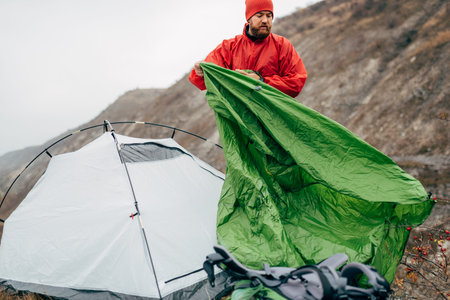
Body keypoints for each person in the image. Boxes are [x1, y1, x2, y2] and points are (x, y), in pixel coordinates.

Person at [189, 0, 307, 98]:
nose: (265, 20)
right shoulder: (229, 47)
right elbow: (204, 76)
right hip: (240, 117)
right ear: (249, 18)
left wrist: (262, 81)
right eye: (259, 15)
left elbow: (296, 82)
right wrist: (200, 70)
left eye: (269, 15)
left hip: (273, 118)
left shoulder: (282, 45)